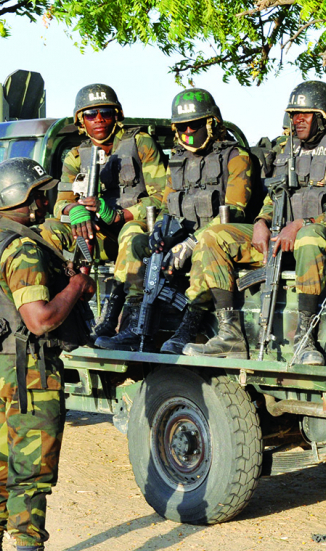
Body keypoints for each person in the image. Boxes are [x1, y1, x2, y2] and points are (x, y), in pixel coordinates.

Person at [0, 157, 97, 551]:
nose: (46, 197)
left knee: (0, 461)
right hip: (29, 371)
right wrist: (78, 285)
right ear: (22, 198)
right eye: (40, 191)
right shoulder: (22, 250)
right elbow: (41, 319)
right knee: (31, 473)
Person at [182, 80, 326, 365]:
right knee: (214, 236)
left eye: (304, 114)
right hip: (283, 235)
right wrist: (261, 221)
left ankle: (306, 338)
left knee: (309, 236)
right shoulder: (287, 148)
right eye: (293, 114)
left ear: (324, 116)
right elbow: (275, 197)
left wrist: (302, 224)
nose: (296, 120)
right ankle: (229, 334)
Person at [95, 88, 253, 353]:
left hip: (217, 239)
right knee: (135, 235)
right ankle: (131, 324)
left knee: (207, 242)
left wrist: (190, 242)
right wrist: (160, 232)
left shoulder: (237, 157)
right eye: (182, 127)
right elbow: (168, 206)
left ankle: (189, 328)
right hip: (180, 239)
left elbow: (236, 209)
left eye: (195, 125)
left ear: (211, 123)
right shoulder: (177, 162)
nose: (189, 132)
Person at [57, 83, 168, 340]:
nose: (99, 119)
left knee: (130, 231)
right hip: (99, 237)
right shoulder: (75, 156)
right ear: (80, 121)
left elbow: (163, 196)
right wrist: (74, 210)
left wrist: (120, 215)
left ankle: (122, 319)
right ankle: (52, 312)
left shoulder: (140, 143)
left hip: (139, 233)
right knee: (52, 231)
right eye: (90, 114)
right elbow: (59, 204)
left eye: (105, 112)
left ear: (116, 115)